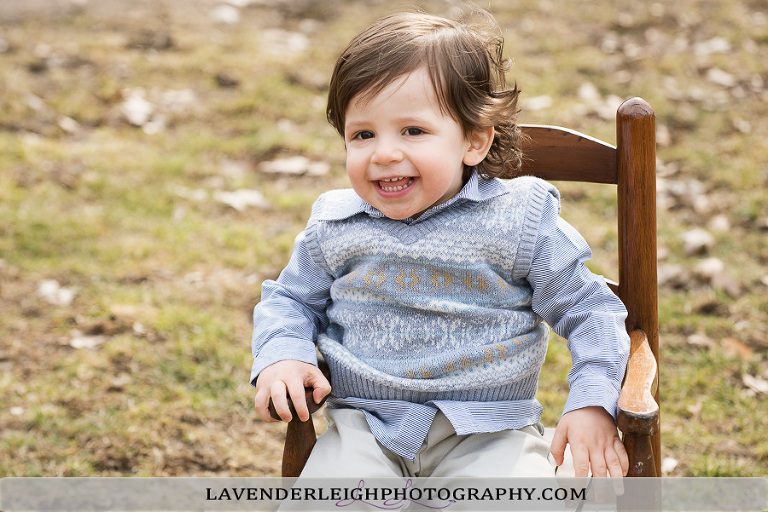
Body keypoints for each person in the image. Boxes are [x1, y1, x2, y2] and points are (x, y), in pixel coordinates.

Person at [251, 10, 630, 479]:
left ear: (473, 141)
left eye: (413, 130)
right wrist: (283, 353)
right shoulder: (336, 223)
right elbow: (289, 300)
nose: (385, 152)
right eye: (363, 134)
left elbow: (590, 310)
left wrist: (593, 399)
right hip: (364, 430)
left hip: (491, 434)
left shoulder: (519, 219)